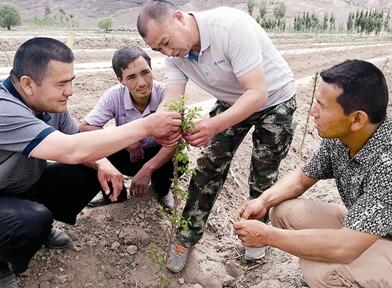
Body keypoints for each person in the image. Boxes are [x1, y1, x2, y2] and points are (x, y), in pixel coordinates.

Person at [0, 37, 181, 288]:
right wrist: (147, 126)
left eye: (71, 82)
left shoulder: (50, 106)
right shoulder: (4, 109)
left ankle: (40, 228)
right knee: (31, 219)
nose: (70, 92)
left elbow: (79, 138)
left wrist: (103, 165)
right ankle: (4, 261)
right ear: (28, 84)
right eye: (62, 84)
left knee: (87, 171)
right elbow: (70, 148)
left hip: (19, 185)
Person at [137, 0, 296, 272]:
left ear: (179, 18)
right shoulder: (175, 55)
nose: (167, 52)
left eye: (165, 42)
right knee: (208, 166)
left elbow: (257, 93)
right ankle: (187, 236)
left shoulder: (230, 27)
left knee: (263, 174)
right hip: (232, 100)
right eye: (157, 49)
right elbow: (172, 99)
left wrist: (213, 125)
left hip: (274, 100)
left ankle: (257, 236)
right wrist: (161, 123)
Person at [234, 59, 392, 287]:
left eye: (322, 106)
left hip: (379, 239)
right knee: (284, 210)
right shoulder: (343, 137)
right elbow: (301, 178)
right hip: (371, 230)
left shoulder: (387, 164)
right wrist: (263, 201)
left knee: (320, 271)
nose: (312, 112)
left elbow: (343, 247)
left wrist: (267, 237)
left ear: (357, 119)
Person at [80, 46, 178, 209]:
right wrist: (126, 141)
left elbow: (176, 139)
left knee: (176, 156)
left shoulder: (166, 94)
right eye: (131, 77)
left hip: (158, 156)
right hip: (129, 156)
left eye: (145, 72)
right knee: (95, 149)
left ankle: (162, 191)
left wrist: (148, 169)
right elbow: (85, 128)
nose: (141, 83)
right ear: (121, 80)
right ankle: (114, 194)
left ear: (152, 70)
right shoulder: (114, 96)